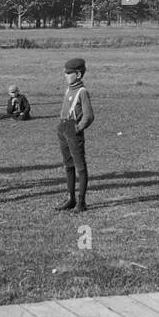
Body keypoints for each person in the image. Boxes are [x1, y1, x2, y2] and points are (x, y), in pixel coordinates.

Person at [57, 58, 95, 212]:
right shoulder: (68, 90)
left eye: (69, 73)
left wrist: (78, 128)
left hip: (73, 129)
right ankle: (71, 198)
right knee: (68, 165)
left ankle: (81, 202)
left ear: (78, 74)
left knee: (80, 167)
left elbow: (89, 116)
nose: (65, 75)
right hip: (63, 128)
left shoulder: (82, 92)